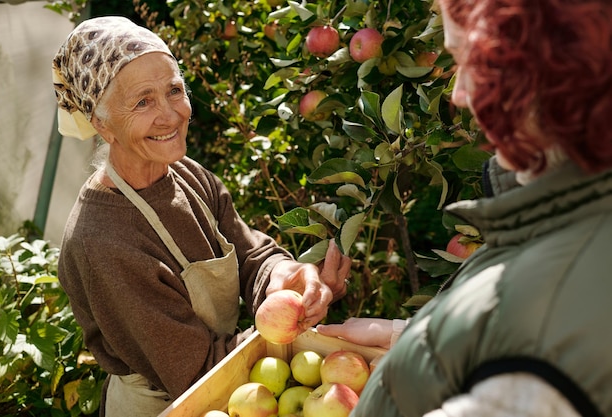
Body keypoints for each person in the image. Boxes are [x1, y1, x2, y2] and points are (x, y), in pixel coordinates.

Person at [317, 0, 612, 416]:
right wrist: (410, 338)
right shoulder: (571, 217)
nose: (457, 94)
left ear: (529, 69)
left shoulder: (544, 346)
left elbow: (537, 343)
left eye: (465, 59)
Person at [52, 16, 351, 417]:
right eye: (143, 101)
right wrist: (285, 328)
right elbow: (195, 371)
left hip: (235, 386)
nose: (170, 115)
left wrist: (284, 278)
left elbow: (250, 256)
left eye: (174, 90)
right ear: (102, 124)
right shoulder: (102, 241)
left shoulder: (187, 174)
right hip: (174, 401)